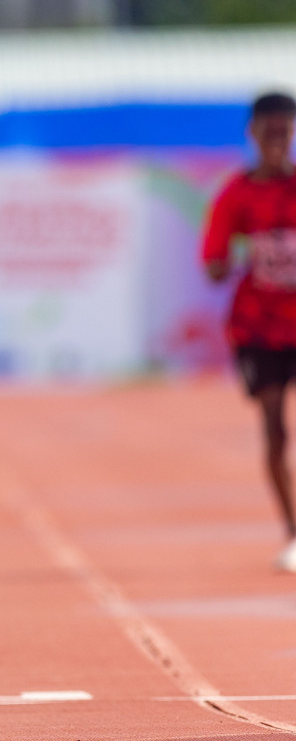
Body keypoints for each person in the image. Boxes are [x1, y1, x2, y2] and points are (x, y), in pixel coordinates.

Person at [201, 91, 296, 573]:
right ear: (252, 136)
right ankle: (294, 532)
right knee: (276, 428)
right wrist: (238, 256)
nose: (279, 143)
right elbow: (213, 265)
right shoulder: (236, 195)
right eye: (270, 134)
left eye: (287, 133)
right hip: (260, 326)